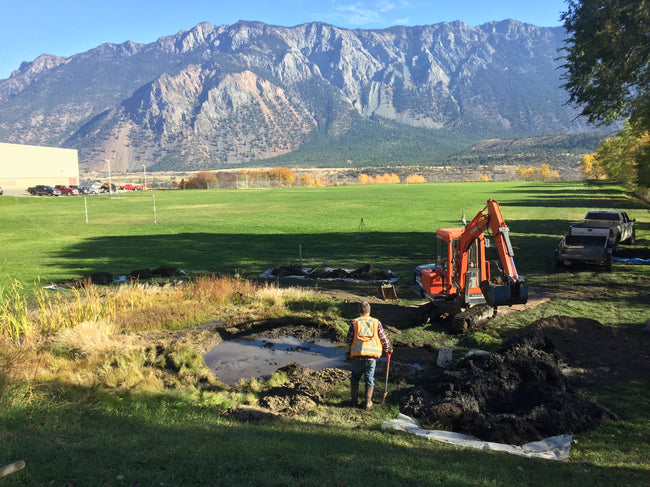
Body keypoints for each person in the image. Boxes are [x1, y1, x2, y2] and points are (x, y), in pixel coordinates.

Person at [345, 301, 392, 410]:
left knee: (355, 378)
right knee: (369, 379)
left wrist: (347, 353)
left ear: (359, 311)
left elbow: (349, 340)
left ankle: (353, 401)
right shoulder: (376, 322)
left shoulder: (355, 322)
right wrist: (388, 348)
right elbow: (383, 338)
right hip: (371, 358)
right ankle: (367, 403)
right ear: (369, 311)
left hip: (357, 356)